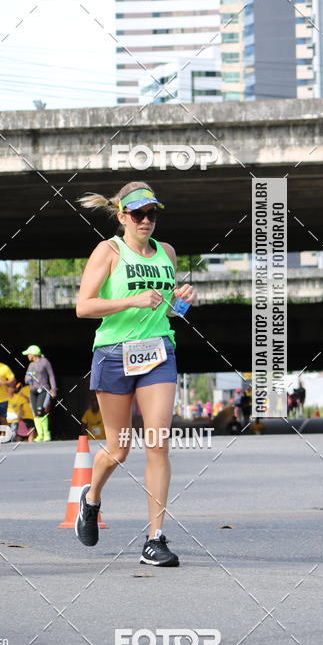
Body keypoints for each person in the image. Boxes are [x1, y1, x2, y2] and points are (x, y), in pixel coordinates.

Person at [74, 183, 196, 567]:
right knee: (119, 449)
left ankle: (155, 538)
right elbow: (84, 307)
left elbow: (166, 311)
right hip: (113, 354)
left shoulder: (167, 253)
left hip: (159, 351)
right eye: (138, 214)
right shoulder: (108, 250)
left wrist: (182, 302)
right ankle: (91, 499)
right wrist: (132, 299)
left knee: (158, 442)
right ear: (122, 216)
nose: (146, 221)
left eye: (152, 214)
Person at [22, 345, 57, 441]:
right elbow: (26, 378)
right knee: (35, 413)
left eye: (28, 354)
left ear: (33, 354)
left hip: (43, 389)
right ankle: (40, 435)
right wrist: (27, 379)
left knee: (40, 410)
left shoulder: (45, 362)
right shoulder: (31, 365)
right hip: (33, 391)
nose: (28, 356)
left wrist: (53, 389)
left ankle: (46, 433)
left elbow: (51, 375)